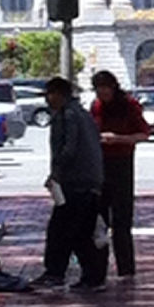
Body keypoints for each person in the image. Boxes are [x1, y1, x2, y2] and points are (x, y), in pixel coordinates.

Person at [31, 76, 105, 290]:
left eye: (50, 94)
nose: (48, 99)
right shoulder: (82, 114)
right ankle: (91, 276)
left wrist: (56, 173)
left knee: (61, 230)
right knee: (80, 231)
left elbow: (68, 149)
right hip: (89, 180)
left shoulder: (68, 115)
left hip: (75, 182)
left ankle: (56, 273)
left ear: (59, 94)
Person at [90, 70, 150, 282]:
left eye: (106, 88)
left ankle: (126, 268)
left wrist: (119, 139)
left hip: (122, 163)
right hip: (100, 165)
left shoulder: (129, 105)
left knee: (122, 220)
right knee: (99, 219)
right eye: (98, 89)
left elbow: (143, 134)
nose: (103, 93)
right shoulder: (96, 106)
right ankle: (98, 269)